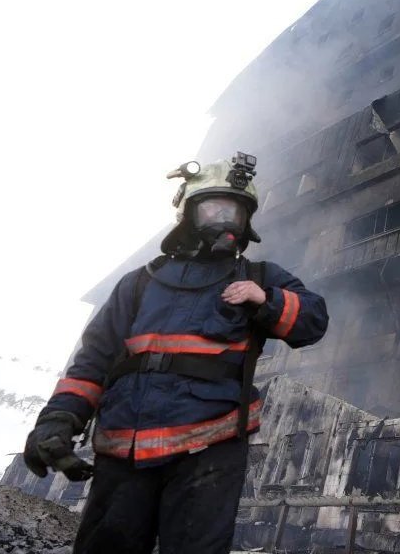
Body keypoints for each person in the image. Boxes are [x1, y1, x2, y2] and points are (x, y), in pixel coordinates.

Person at [21, 152, 329, 554]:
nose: (226, 220)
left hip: (207, 452)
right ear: (188, 213)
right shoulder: (138, 283)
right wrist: (59, 419)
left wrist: (266, 300)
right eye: (216, 208)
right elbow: (93, 361)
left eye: (236, 212)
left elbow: (314, 320)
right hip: (123, 451)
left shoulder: (258, 277)